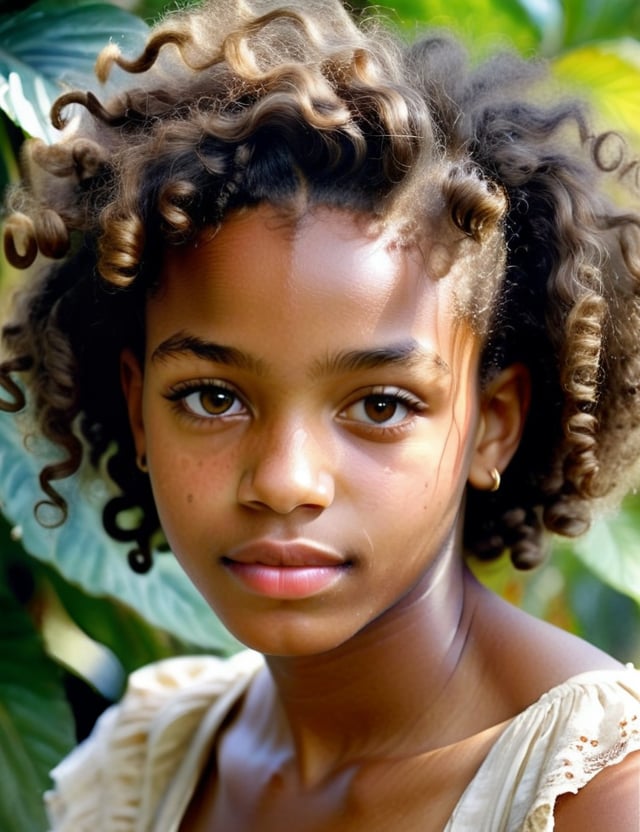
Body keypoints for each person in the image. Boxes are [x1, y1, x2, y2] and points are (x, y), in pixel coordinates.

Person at [2, 0, 640, 828]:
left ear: (493, 421)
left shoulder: (596, 796)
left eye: (380, 404)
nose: (285, 481)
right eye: (213, 397)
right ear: (136, 409)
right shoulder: (144, 768)